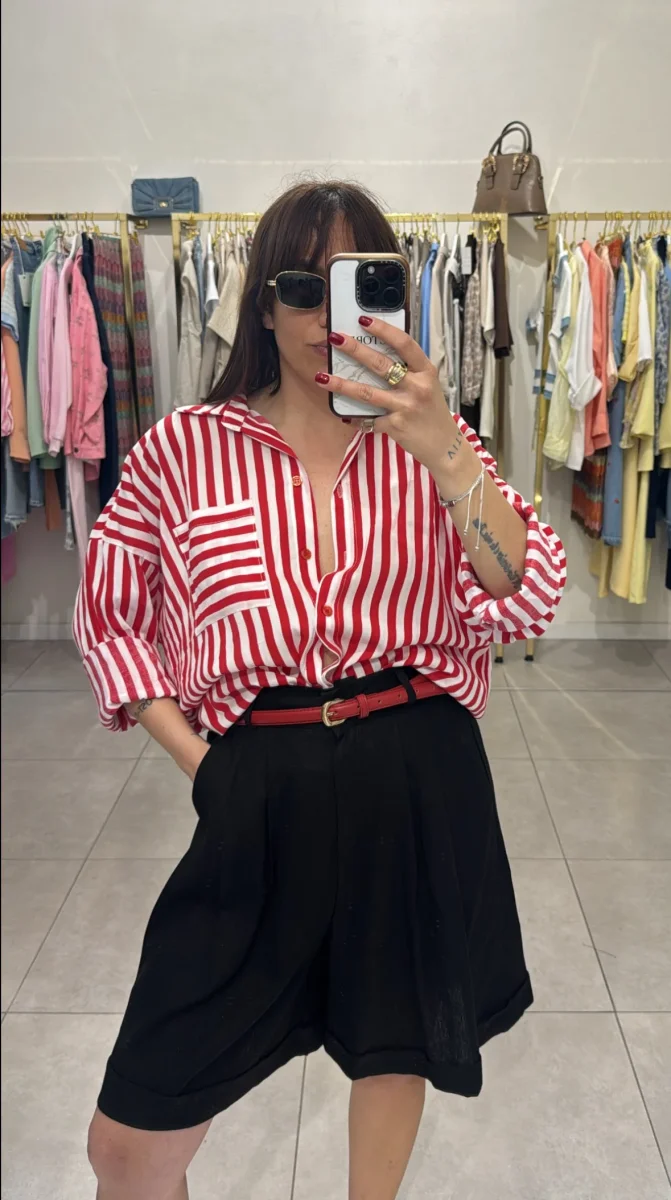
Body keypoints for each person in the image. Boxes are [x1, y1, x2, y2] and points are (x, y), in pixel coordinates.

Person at [74, 181, 566, 1200]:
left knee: (394, 1040)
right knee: (127, 1141)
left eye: (355, 284)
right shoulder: (184, 450)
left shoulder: (432, 442)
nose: (323, 315)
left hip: (415, 767)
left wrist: (442, 450)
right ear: (261, 303)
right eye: (301, 287)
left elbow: (521, 595)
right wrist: (201, 763)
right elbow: (109, 615)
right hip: (256, 782)